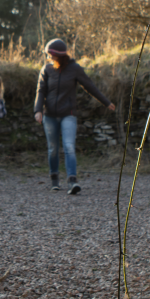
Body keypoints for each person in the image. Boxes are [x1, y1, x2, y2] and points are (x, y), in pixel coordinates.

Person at [34, 39, 116, 195]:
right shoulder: (46, 69)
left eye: (51, 55)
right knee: (52, 149)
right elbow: (40, 91)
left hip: (68, 114)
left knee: (69, 146)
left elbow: (89, 86)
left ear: (59, 55)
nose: (49, 57)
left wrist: (106, 102)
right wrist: (38, 110)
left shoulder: (74, 69)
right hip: (49, 115)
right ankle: (54, 180)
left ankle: (72, 181)